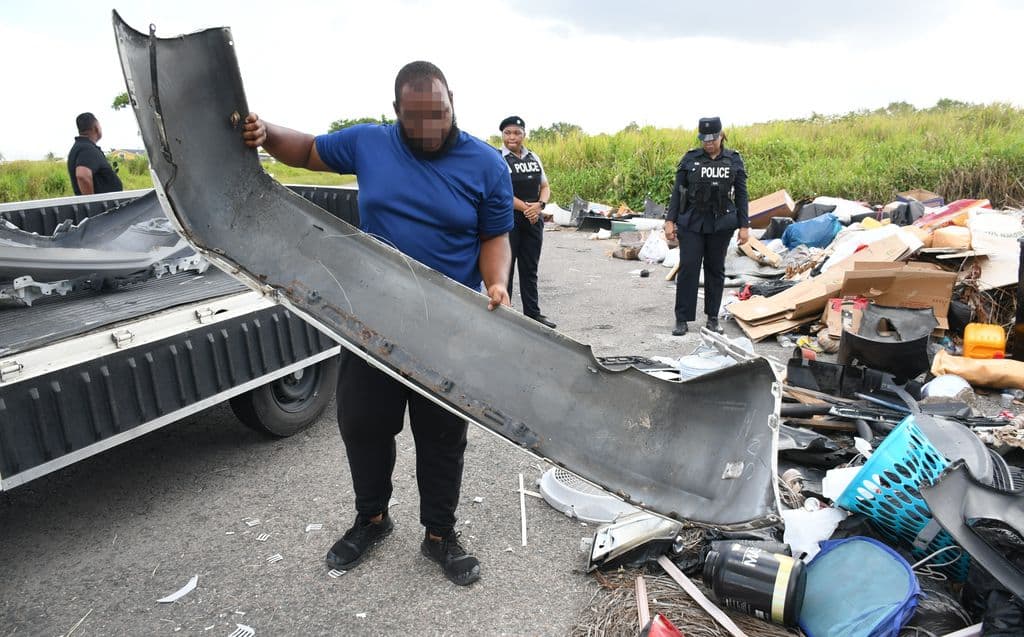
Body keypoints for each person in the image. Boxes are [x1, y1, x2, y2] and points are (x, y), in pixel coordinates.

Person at [241, 61, 513, 586]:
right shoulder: (370, 143)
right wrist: (266, 132)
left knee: (441, 435)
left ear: (452, 100)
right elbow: (306, 151)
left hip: (446, 328)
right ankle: (373, 518)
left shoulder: (485, 164)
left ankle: (440, 535)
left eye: (439, 113)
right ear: (396, 114)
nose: (430, 128)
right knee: (363, 426)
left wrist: (496, 281)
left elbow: (493, 236)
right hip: (372, 324)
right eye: (416, 119)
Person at [664, 116, 749, 337]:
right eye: (705, 139)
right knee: (689, 267)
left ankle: (712, 318)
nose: (708, 143)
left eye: (713, 139)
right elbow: (677, 192)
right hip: (692, 221)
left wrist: (744, 226)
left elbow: (741, 195)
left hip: (721, 224)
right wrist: (669, 221)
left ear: (721, 136)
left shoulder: (733, 160)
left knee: (715, 270)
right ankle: (682, 319)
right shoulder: (690, 159)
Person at [499, 115, 556, 329]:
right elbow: (500, 192)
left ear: (524, 135)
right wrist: (527, 208)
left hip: (533, 219)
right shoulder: (497, 158)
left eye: (517, 132)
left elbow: (545, 186)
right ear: (502, 135)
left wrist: (540, 205)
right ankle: (504, 314)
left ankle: (533, 315)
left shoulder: (533, 157)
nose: (512, 136)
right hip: (509, 219)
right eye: (508, 132)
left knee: (529, 268)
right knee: (506, 268)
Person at [67, 113, 123, 196]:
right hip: (104, 207)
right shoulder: (87, 149)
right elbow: (82, 175)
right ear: (96, 128)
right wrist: (92, 203)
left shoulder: (80, 147)